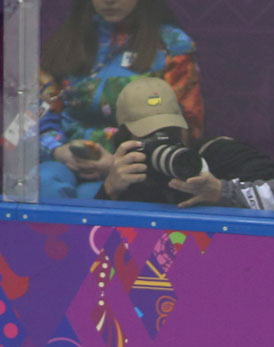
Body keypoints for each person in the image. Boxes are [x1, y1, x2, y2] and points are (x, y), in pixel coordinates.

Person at [38, 0, 203, 201]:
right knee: (45, 181)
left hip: (134, 168)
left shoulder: (173, 46)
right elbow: (35, 116)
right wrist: (57, 150)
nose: (109, 1)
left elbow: (186, 128)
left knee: (90, 196)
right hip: (65, 159)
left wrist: (122, 162)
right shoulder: (63, 43)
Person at [95, 77, 274, 211]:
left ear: (184, 127)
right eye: (149, 135)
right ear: (124, 137)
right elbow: (90, 247)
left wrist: (224, 193)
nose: (162, 142)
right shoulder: (128, 176)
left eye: (169, 131)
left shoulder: (219, 153)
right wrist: (109, 191)